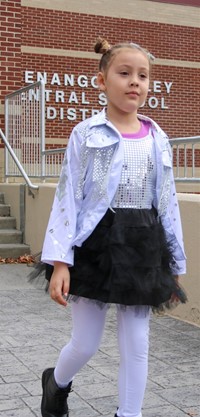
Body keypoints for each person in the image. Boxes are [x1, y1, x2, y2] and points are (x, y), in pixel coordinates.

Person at [40, 37, 187, 417]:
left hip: (143, 247)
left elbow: (167, 202)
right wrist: (60, 261)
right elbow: (68, 196)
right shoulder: (86, 134)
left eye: (143, 75)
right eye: (124, 73)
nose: (134, 82)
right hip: (96, 247)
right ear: (102, 81)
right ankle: (55, 383)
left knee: (137, 344)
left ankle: (129, 413)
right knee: (85, 343)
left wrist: (174, 265)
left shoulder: (159, 138)